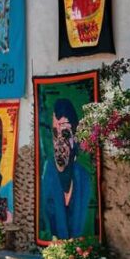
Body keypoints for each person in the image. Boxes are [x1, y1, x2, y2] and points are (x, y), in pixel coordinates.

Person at [40, 98, 92, 240]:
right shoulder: (47, 172)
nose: (59, 142)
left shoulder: (84, 178)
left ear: (75, 138)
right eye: (55, 134)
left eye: (65, 134)